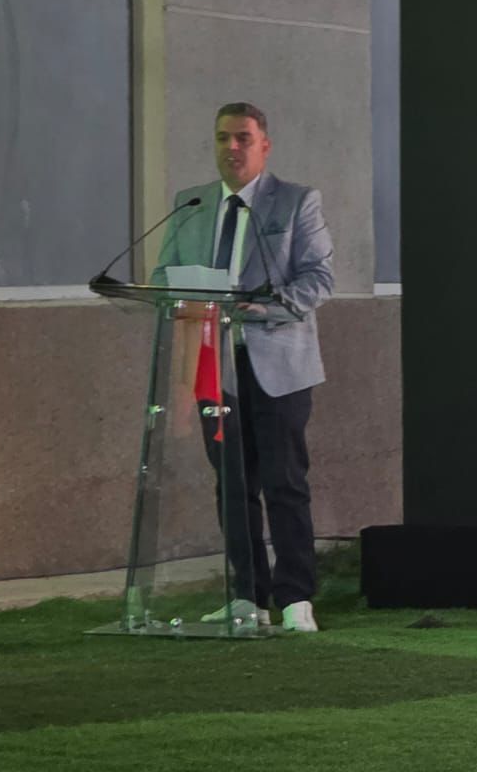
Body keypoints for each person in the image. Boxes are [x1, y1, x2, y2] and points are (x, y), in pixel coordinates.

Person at [152, 102, 334, 632]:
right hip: (213, 364)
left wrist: (267, 306)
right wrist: (177, 297)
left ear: (264, 146)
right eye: (222, 138)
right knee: (232, 486)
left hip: (279, 363)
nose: (231, 148)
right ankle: (247, 596)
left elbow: (319, 277)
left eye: (243, 138)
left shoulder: (296, 201)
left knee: (284, 481)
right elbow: (163, 274)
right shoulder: (191, 204)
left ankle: (296, 596)